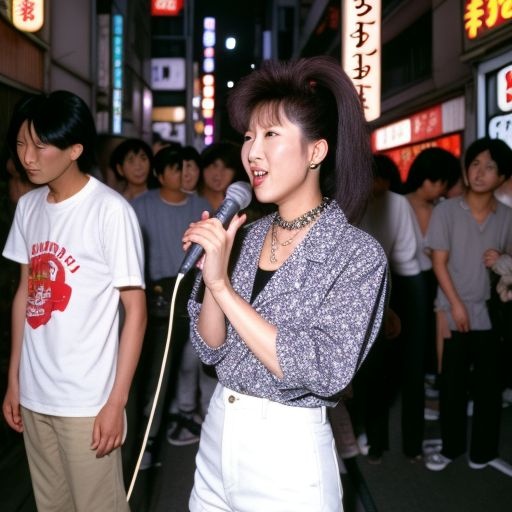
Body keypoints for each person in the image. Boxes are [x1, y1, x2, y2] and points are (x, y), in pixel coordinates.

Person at [182, 56, 388, 511]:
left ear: (316, 151)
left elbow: (324, 370)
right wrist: (214, 276)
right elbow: (210, 349)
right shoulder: (246, 235)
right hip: (217, 436)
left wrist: (223, 289)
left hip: (288, 455)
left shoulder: (356, 254)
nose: (252, 153)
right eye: (248, 136)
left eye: (271, 135)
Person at [1, 90, 146, 511]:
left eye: (40, 146)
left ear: (75, 150)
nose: (27, 157)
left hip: (87, 401)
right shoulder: (29, 207)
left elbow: (135, 311)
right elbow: (25, 294)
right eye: (21, 143)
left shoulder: (109, 211)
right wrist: (14, 379)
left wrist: (116, 402)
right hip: (34, 393)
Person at [425, 137, 512, 472]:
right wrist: (455, 305)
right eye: (475, 163)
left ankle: (483, 452)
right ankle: (451, 448)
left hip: (491, 313)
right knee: (452, 384)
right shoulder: (446, 211)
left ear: (502, 177)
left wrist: (502, 259)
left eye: (490, 167)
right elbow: (439, 263)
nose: (479, 172)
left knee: (489, 386)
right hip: (452, 311)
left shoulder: (506, 216)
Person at [130, 145, 211, 466]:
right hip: (157, 298)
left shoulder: (201, 206)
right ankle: (147, 442)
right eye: (176, 168)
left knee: (196, 361)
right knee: (158, 373)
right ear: (160, 174)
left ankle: (192, 418)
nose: (184, 174)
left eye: (187, 167)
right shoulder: (141, 206)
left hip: (195, 294)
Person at [198, 141, 247, 210]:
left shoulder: (242, 208)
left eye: (227, 167)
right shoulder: (188, 202)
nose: (219, 173)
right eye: (214, 165)